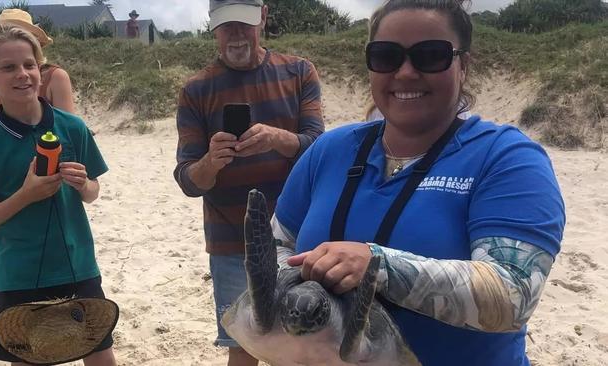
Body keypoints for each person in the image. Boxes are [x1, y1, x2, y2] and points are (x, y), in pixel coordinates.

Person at [272, 0, 565, 365]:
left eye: (430, 55)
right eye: (386, 56)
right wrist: (298, 292)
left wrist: (378, 266)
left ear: (464, 66)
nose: (406, 72)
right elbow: (276, 244)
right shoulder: (329, 151)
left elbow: (512, 294)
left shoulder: (506, 158)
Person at [173, 1, 324, 364]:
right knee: (241, 346)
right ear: (213, 28)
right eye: (227, 27)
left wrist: (279, 138)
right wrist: (211, 162)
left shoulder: (299, 72)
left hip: (299, 235)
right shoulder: (196, 89)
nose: (237, 35)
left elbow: (321, 150)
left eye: (244, 25)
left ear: (264, 18)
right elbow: (188, 180)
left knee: (306, 341)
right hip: (231, 241)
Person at [0, 20, 116, 366]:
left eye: (30, 65)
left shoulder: (72, 127)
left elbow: (94, 192)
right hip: (20, 275)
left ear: (40, 69)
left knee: (101, 356)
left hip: (78, 266)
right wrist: (24, 195)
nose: (22, 74)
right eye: (9, 67)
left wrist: (84, 184)